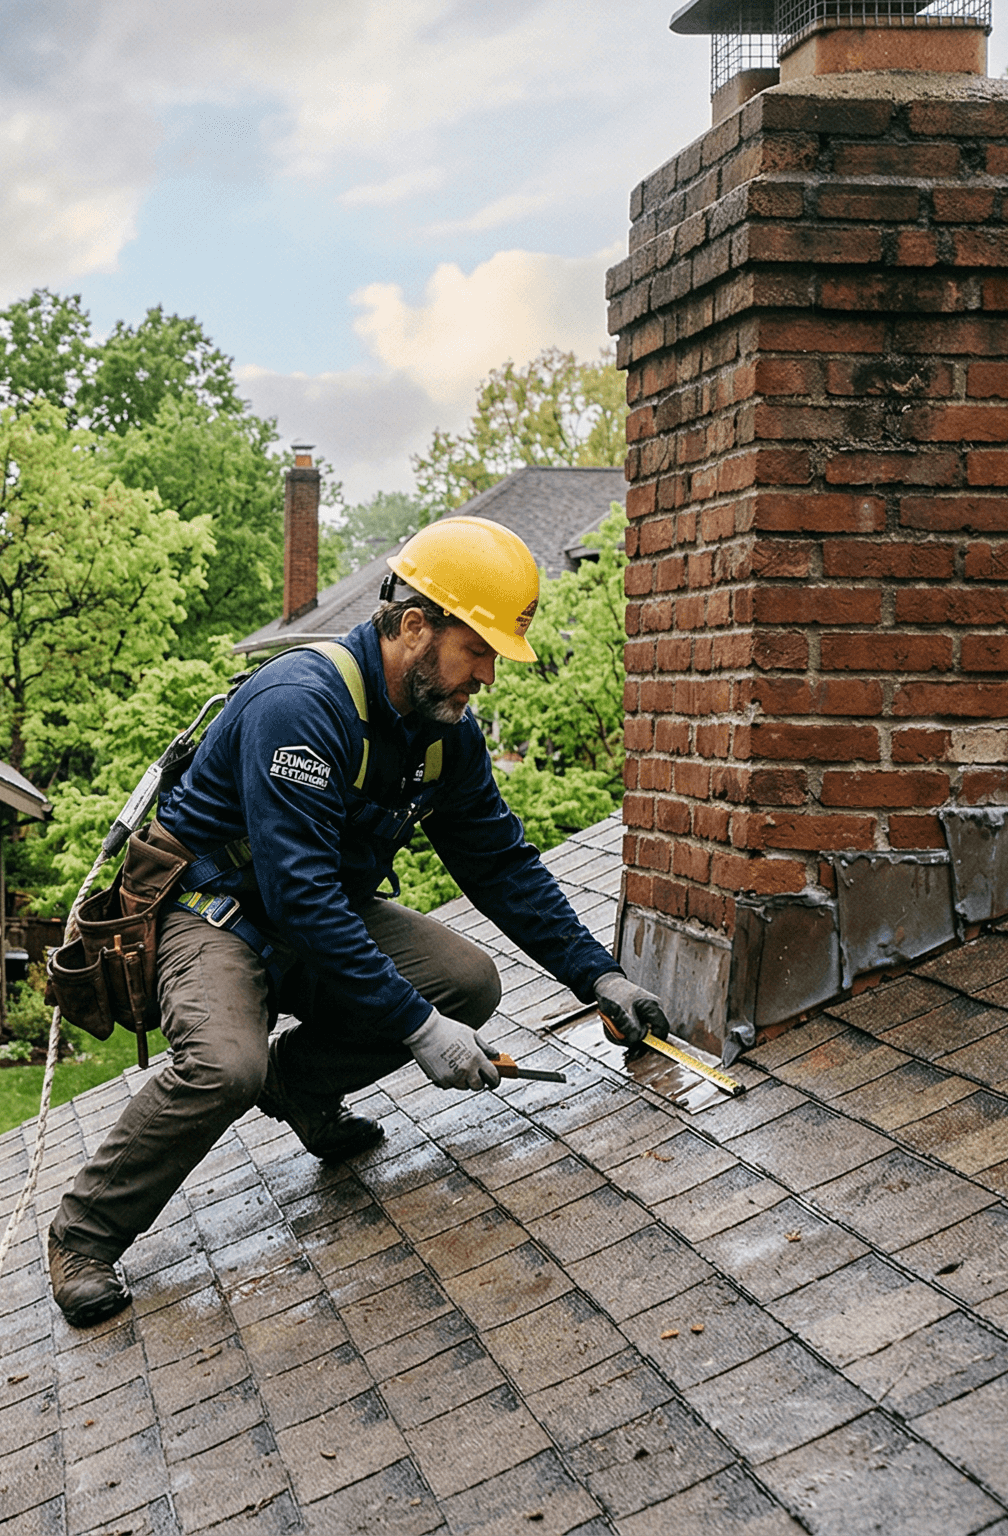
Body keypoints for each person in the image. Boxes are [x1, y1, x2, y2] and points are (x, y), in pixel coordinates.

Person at [47, 515, 672, 1326]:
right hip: (213, 915)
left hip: (314, 915)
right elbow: (300, 891)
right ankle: (85, 1235)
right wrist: (416, 1029)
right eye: (477, 650)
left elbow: (502, 865)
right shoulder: (300, 705)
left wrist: (601, 975)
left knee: (467, 983)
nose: (486, 676)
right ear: (417, 626)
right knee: (226, 1065)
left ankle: (300, 1087)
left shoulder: (445, 736)